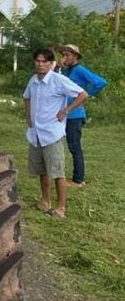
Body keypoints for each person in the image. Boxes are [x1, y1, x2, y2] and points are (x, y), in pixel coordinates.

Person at [23, 48, 88, 218]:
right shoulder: (34, 80)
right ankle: (45, 200)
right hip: (37, 133)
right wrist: (28, 116)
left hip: (52, 133)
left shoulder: (59, 80)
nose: (40, 64)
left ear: (51, 63)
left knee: (58, 172)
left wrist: (66, 110)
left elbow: (83, 94)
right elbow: (26, 97)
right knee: (42, 170)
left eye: (44, 61)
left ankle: (61, 208)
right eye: (38, 60)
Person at [59, 44, 108, 188]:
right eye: (63, 55)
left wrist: (87, 96)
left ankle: (78, 180)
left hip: (75, 114)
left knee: (75, 147)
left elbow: (100, 82)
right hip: (65, 114)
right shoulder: (66, 71)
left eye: (67, 55)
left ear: (75, 57)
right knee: (67, 145)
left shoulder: (80, 70)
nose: (64, 58)